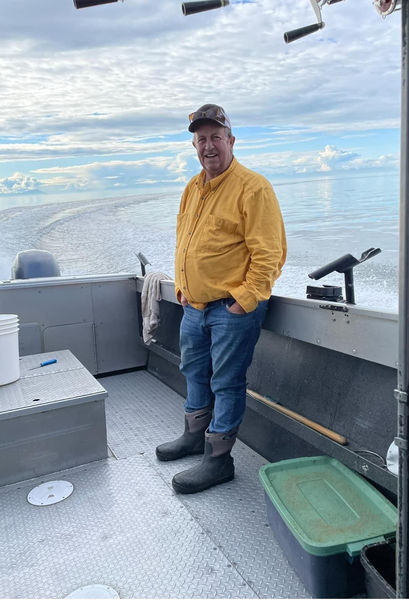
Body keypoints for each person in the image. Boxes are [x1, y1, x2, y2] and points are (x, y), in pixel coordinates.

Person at [156, 104, 286, 494]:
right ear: (194, 145)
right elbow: (186, 242)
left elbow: (270, 254)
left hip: (231, 308)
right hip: (193, 306)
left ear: (231, 140)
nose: (208, 146)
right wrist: (183, 286)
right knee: (194, 372)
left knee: (226, 382)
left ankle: (218, 460)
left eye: (216, 137)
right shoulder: (192, 188)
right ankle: (193, 437)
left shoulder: (253, 187)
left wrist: (243, 300)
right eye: (201, 139)